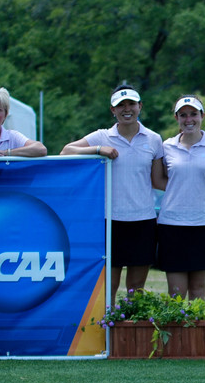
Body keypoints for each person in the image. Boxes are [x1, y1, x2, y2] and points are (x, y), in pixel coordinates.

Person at [60, 82, 163, 300]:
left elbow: (157, 180)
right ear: (113, 110)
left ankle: (132, 331)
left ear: (140, 106)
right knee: (110, 283)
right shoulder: (102, 136)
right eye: (121, 105)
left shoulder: (154, 139)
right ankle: (108, 331)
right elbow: (65, 151)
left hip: (143, 220)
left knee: (136, 287)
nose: (127, 109)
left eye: (132, 104)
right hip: (110, 220)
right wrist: (97, 150)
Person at [151, 96, 205, 300]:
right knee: (176, 293)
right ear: (176, 118)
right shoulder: (166, 146)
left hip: (203, 224)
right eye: (183, 115)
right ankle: (176, 334)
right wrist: (182, 188)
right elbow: (157, 179)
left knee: (198, 291)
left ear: (202, 116)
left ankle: (198, 333)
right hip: (172, 225)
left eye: (193, 114)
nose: (189, 119)